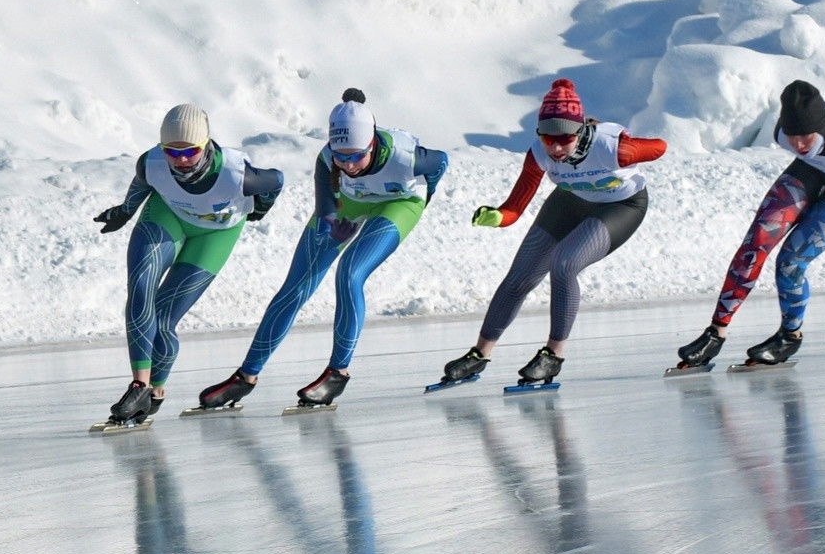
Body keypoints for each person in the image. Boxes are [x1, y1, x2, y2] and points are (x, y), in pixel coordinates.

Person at [193, 90, 447, 412]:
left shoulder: (406, 157)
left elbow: (441, 163)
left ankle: (337, 373)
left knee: (350, 272)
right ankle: (246, 377)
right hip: (351, 201)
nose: (349, 164)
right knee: (294, 288)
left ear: (372, 144)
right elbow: (326, 206)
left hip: (399, 203)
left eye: (356, 156)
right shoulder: (328, 159)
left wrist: (425, 198)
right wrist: (330, 224)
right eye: (342, 156)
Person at [671, 79, 825, 371]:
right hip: (813, 169)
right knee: (755, 244)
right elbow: (801, 142)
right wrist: (804, 145)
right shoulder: (783, 134)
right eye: (793, 138)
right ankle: (716, 332)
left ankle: (790, 336)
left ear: (821, 128)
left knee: (791, 261)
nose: (798, 144)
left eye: (805, 137)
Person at [438, 79, 664, 391]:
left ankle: (553, 354)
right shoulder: (538, 154)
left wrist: (631, 148)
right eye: (548, 139)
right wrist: (498, 216)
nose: (556, 148)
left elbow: (660, 147)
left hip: (621, 206)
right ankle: (480, 353)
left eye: (565, 138)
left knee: (565, 263)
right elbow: (516, 206)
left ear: (581, 130)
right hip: (570, 201)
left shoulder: (612, 148)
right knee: (519, 275)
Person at [91, 104, 283, 428]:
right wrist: (125, 210)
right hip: (169, 217)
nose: (180, 161)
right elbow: (143, 181)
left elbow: (276, 180)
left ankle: (156, 389)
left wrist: (259, 209)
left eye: (190, 152)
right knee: (140, 286)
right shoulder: (152, 162)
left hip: (215, 235)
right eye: (172, 152)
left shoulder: (239, 175)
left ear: (206, 144)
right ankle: (138, 386)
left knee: (164, 318)